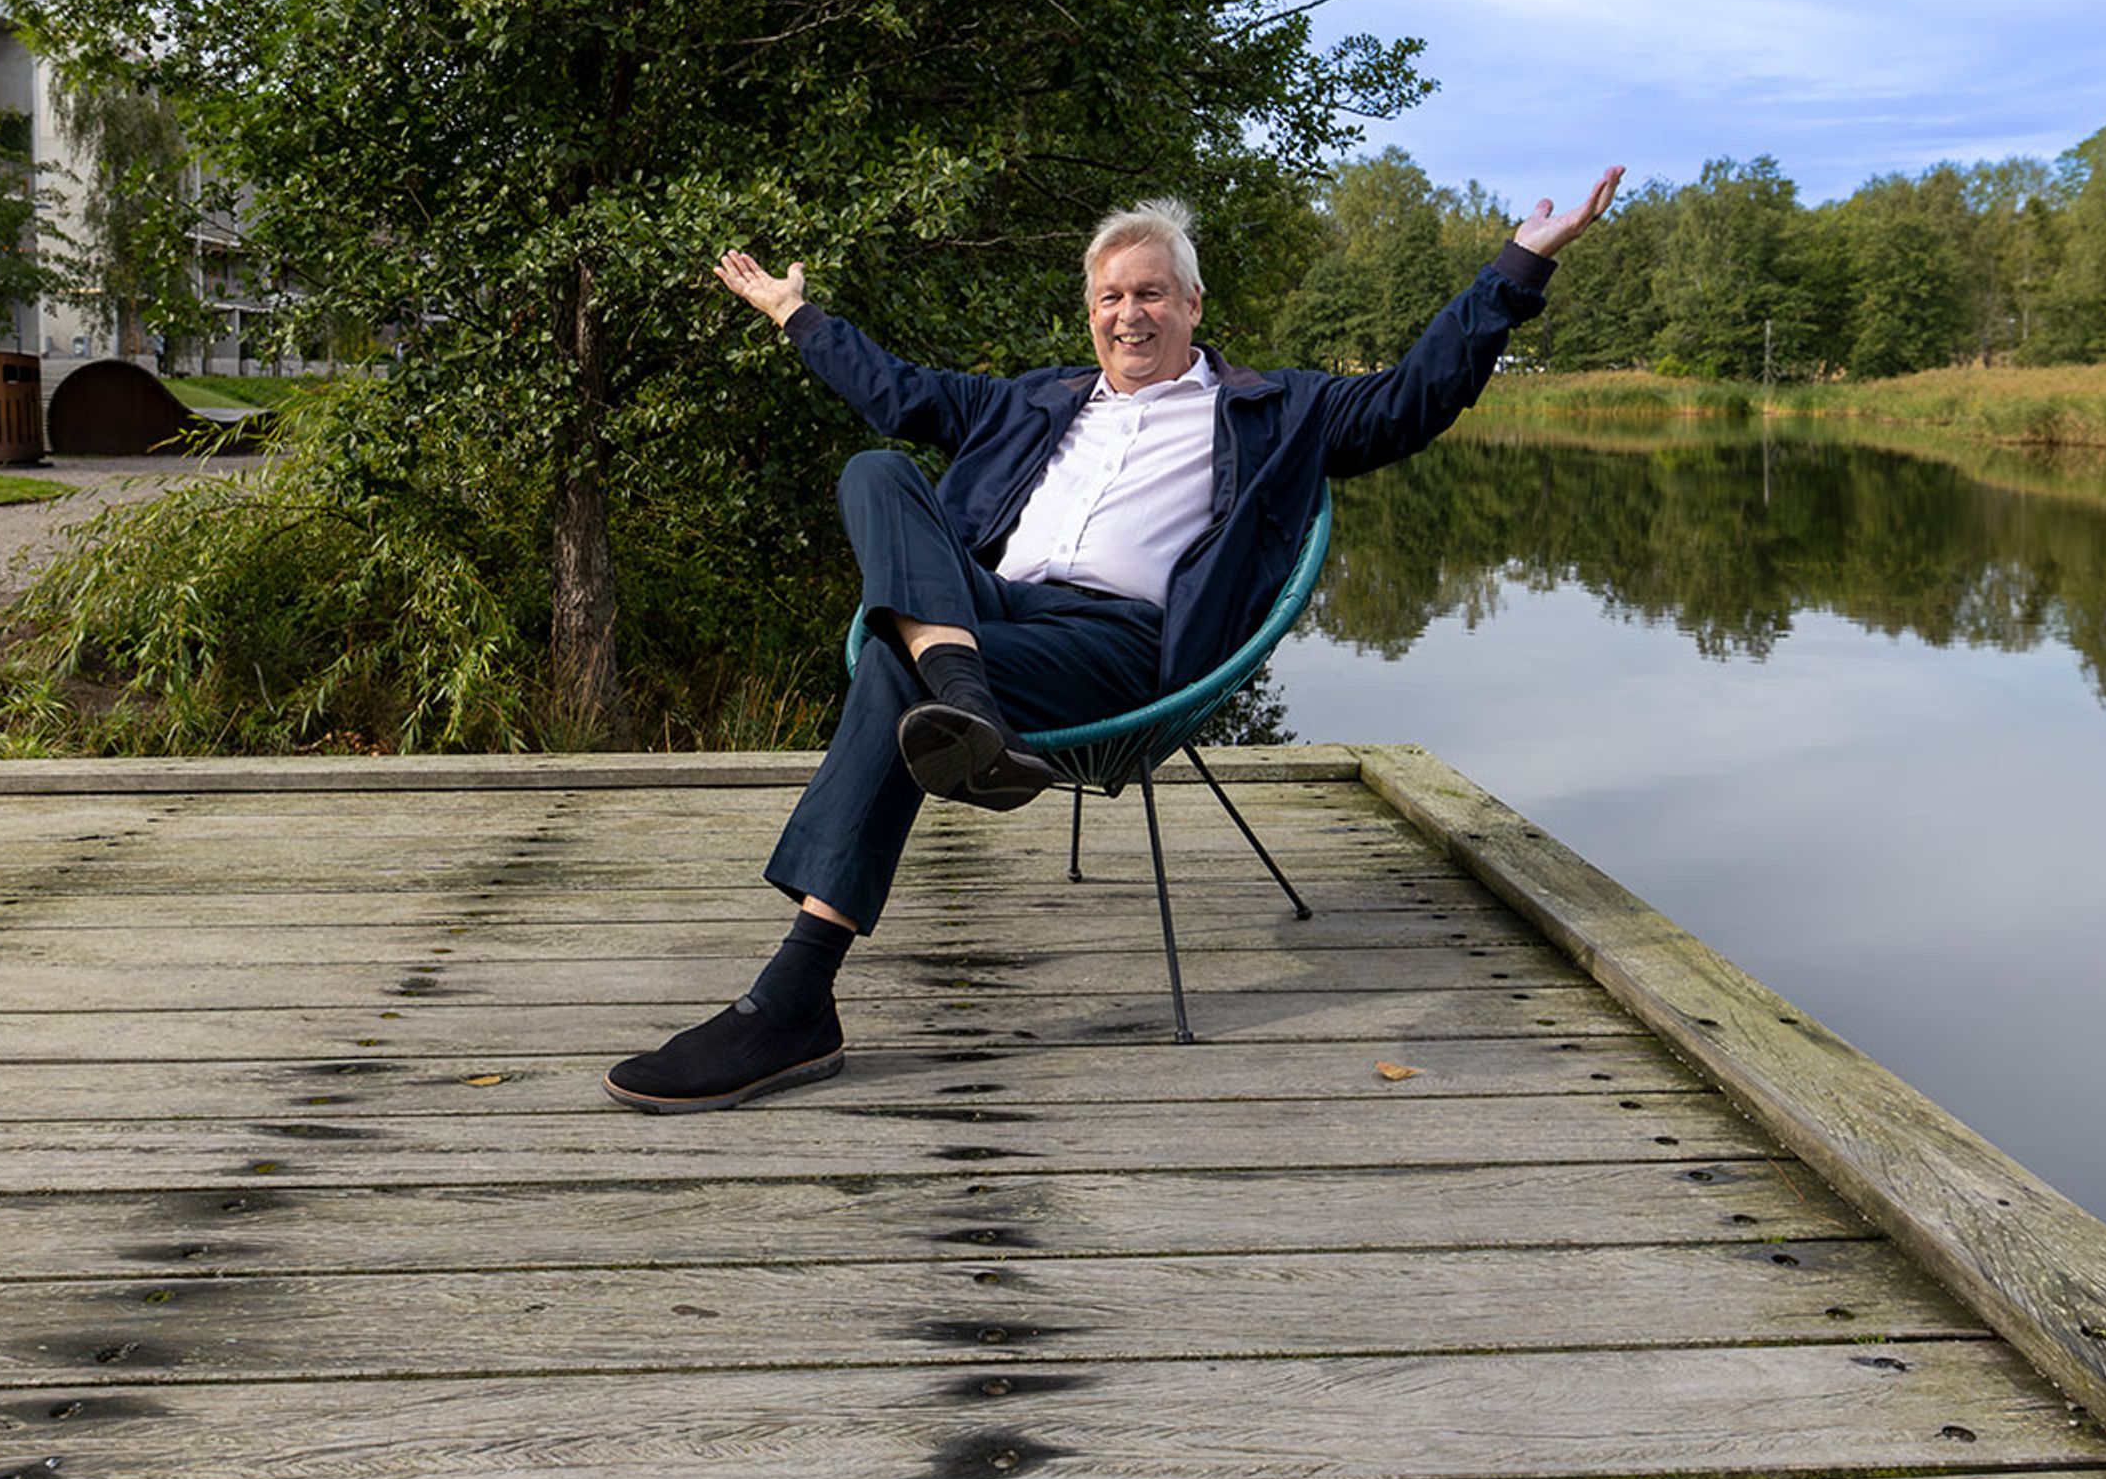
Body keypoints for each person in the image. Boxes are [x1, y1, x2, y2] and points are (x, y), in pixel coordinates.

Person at [604, 170, 1625, 1110]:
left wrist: (1518, 266)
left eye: (1149, 294)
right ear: (1089, 312)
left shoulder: (1273, 412)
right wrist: (795, 313)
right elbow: (895, 390)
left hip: (1116, 647)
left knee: (887, 657)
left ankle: (791, 1002)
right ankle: (959, 694)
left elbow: (1416, 398)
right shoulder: (1032, 402)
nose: (1127, 314)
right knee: (876, 470)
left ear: (1191, 305)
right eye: (1109, 297)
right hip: (991, 620)